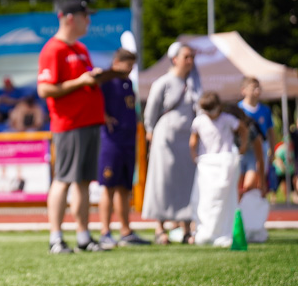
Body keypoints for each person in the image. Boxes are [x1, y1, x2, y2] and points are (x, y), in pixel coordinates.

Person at [37, 0, 106, 253]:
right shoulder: (53, 50)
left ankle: (83, 235)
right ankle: (56, 237)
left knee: (84, 181)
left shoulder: (80, 48)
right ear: (69, 18)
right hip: (68, 124)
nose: (88, 21)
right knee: (63, 179)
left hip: (88, 121)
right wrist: (80, 81)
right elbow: (44, 89)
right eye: (84, 16)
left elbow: (83, 79)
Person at [142, 42, 202, 245]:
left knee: (186, 181)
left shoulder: (195, 83)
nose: (190, 61)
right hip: (165, 138)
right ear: (174, 59)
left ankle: (186, 228)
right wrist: (150, 132)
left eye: (192, 57)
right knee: (162, 181)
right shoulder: (163, 82)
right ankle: (160, 228)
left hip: (187, 141)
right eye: (186, 56)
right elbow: (150, 112)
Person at [97, 48, 150, 248]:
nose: (130, 69)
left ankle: (126, 231)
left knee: (124, 188)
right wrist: (103, 116)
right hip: (111, 141)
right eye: (128, 65)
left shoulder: (127, 82)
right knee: (108, 186)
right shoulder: (106, 80)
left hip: (128, 140)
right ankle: (104, 231)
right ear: (117, 62)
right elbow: (93, 99)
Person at [189, 92, 248, 246]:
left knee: (223, 197)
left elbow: (242, 128)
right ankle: (206, 230)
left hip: (224, 161)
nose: (210, 115)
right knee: (205, 198)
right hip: (207, 163)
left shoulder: (227, 119)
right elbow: (193, 140)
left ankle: (224, 231)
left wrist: (243, 146)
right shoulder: (199, 121)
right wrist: (194, 154)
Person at [237, 77, 275, 194]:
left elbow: (270, 131)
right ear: (244, 90)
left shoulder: (265, 110)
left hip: (259, 149)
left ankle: (256, 202)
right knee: (239, 182)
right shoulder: (238, 109)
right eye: (254, 88)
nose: (257, 90)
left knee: (254, 182)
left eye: (258, 87)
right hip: (242, 149)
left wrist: (272, 151)